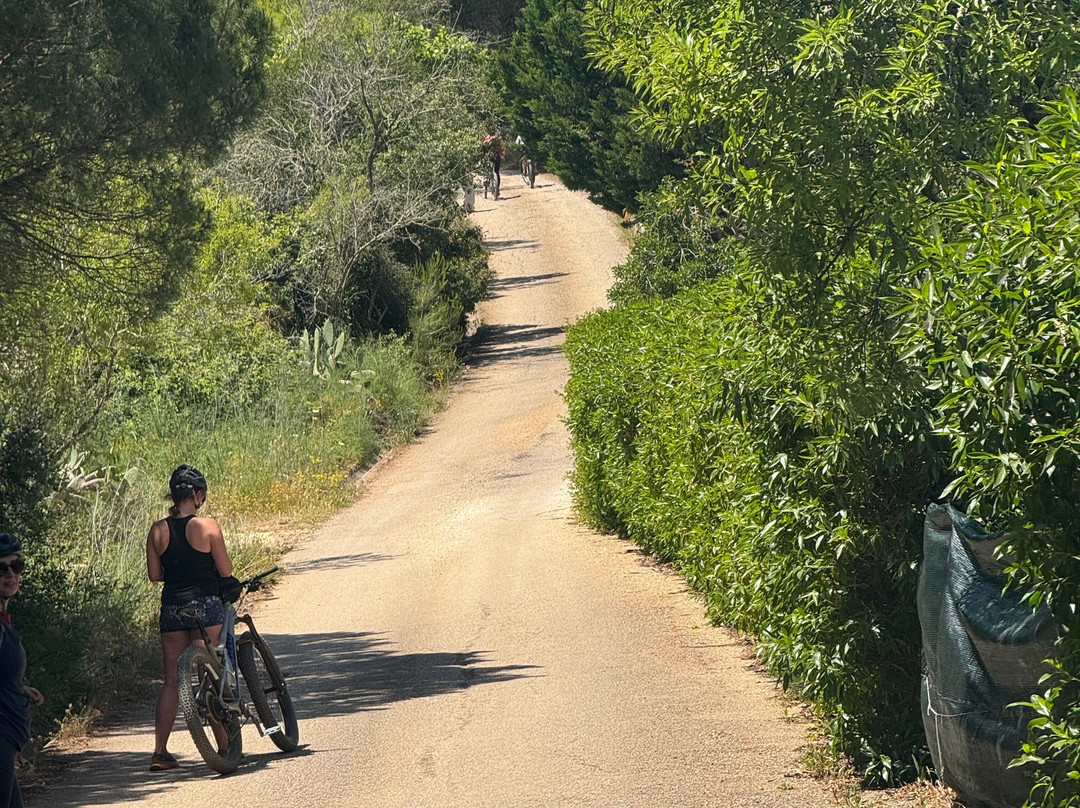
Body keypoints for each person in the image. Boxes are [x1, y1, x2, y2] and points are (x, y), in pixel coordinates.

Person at [146, 465, 233, 771]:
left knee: (171, 682)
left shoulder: (157, 530)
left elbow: (155, 576)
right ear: (197, 495)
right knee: (208, 675)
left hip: (171, 609)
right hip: (205, 608)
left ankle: (160, 752)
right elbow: (226, 571)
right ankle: (224, 747)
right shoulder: (208, 527)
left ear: (173, 494)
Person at [0, 532, 43, 808]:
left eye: (16, 566)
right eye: (0, 568)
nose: (10, 575)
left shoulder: (4, 621)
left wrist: (19, 689)